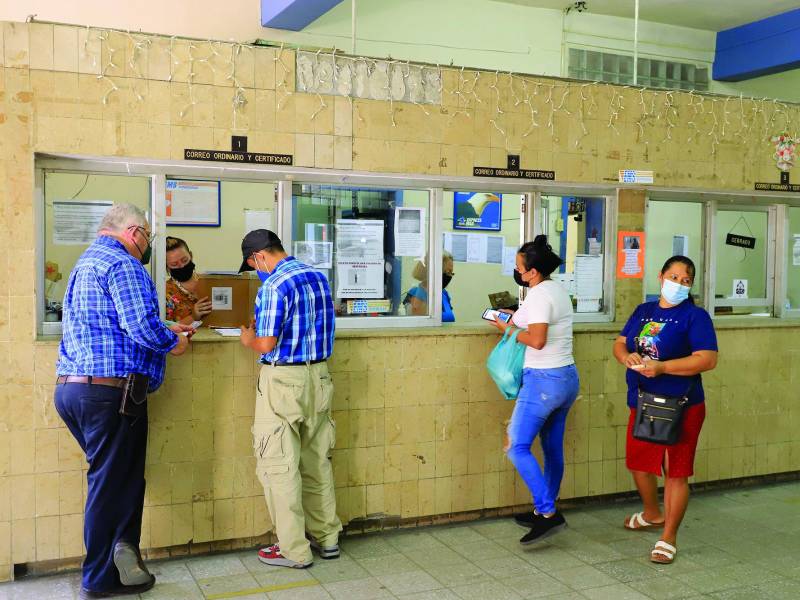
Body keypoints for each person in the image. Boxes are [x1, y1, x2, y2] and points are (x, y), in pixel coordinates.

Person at [55, 204, 192, 598]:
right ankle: (100, 578)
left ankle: (122, 562)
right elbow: (140, 326)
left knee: (116, 479)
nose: (148, 245)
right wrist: (173, 341)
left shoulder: (86, 262)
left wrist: (164, 326)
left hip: (73, 389)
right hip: (110, 394)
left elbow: (113, 323)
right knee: (111, 484)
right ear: (135, 233)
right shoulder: (123, 263)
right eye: (148, 236)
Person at [238, 229, 341, 569]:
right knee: (316, 462)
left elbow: (267, 343)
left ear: (259, 257)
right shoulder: (318, 277)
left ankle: (293, 550)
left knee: (279, 466)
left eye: (253, 265)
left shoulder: (273, 285)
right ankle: (327, 538)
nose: (256, 271)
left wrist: (248, 339)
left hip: (283, 382)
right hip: (319, 377)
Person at [612, 255, 718, 565]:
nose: (679, 284)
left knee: (675, 472)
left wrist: (663, 367)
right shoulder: (644, 311)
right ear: (661, 277)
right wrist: (627, 357)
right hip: (642, 401)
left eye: (686, 281)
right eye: (674, 277)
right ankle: (652, 513)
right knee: (638, 463)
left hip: (681, 405)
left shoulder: (695, 317)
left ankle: (668, 536)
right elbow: (620, 343)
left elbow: (707, 359)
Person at [489, 235, 579, 545]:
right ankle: (544, 509)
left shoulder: (539, 296)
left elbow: (537, 340)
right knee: (552, 449)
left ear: (533, 272)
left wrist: (508, 330)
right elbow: (531, 322)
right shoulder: (555, 289)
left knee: (515, 446)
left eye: (519, 268)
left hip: (543, 381)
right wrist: (512, 319)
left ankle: (548, 513)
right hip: (566, 378)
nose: (516, 272)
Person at [165, 236, 212, 324]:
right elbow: (166, 329)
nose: (182, 266)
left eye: (184, 260)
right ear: (167, 267)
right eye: (174, 264)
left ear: (191, 256)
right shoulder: (165, 293)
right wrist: (193, 317)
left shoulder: (208, 282)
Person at [404, 251, 455, 321]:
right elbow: (419, 324)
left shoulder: (444, 294)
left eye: (451, 272)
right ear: (432, 271)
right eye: (447, 272)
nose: (449, 276)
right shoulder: (415, 294)